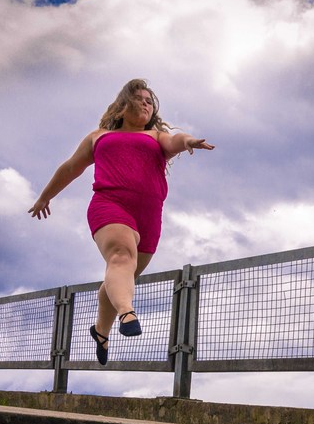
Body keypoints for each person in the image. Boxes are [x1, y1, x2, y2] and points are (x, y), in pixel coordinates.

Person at [27, 79, 214, 365]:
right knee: (120, 257)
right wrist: (44, 197)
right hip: (109, 205)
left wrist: (188, 140)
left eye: (149, 101)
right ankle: (128, 313)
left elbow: (174, 141)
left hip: (149, 217)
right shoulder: (98, 137)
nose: (144, 103)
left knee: (122, 273)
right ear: (122, 106)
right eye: (138, 98)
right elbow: (70, 168)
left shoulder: (155, 137)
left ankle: (101, 331)